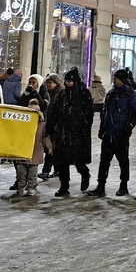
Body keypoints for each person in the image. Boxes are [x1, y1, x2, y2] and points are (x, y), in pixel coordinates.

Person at [90, 69, 136, 197]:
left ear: (123, 79)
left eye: (117, 77)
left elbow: (135, 113)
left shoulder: (130, 94)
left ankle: (124, 185)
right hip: (108, 133)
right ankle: (101, 186)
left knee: (123, 161)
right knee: (104, 161)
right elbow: (105, 113)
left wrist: (127, 128)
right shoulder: (111, 93)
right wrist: (102, 128)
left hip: (121, 134)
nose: (114, 79)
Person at [46, 68, 94, 197]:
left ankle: (85, 174)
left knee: (79, 160)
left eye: (70, 81)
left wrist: (84, 127)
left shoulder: (84, 94)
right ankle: (64, 186)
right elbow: (55, 111)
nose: (67, 83)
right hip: (64, 132)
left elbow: (89, 113)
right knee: (62, 161)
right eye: (66, 81)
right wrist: (52, 126)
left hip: (78, 133)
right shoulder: (64, 95)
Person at [11, 98, 45, 198]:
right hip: (23, 152)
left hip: (34, 152)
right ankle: (21, 188)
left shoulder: (42, 125)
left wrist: (50, 147)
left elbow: (46, 137)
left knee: (32, 174)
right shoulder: (22, 124)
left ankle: (31, 188)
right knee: (21, 173)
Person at [39, 74, 62, 180]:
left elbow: (59, 112)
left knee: (51, 149)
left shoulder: (61, 93)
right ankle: (57, 170)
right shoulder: (52, 93)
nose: (48, 84)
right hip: (53, 125)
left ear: (56, 83)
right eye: (47, 82)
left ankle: (46, 171)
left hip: (57, 126)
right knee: (54, 149)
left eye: (50, 82)